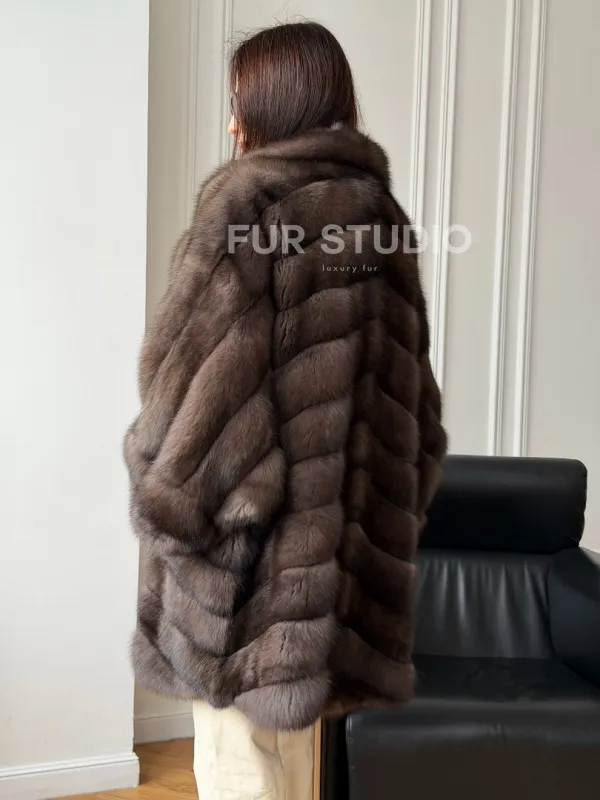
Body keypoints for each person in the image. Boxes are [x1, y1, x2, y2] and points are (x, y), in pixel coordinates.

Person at [124, 20, 447, 800]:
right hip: (337, 568)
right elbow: (418, 413)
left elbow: (191, 394)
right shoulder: (380, 216)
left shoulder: (249, 202)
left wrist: (169, 502)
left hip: (244, 569)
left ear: (276, 102)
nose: (233, 123)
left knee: (237, 764)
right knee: (299, 767)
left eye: (240, 101)